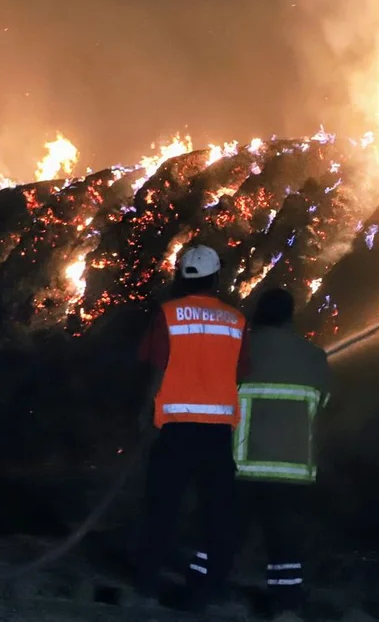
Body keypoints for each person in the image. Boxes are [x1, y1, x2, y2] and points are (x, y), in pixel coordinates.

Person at [134, 243, 250, 612]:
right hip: (216, 434)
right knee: (217, 515)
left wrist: (144, 414)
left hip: (175, 429)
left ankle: (148, 588)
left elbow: (155, 367)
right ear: (217, 278)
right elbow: (242, 373)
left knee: (160, 509)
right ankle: (207, 590)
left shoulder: (167, 314)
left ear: (182, 276)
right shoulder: (236, 320)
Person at [232, 287, 333, 617]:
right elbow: (325, 401)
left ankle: (204, 592)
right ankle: (286, 604)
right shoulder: (314, 356)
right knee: (285, 542)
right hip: (292, 467)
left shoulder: (240, 351)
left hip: (243, 464)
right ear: (291, 318)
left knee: (224, 531)